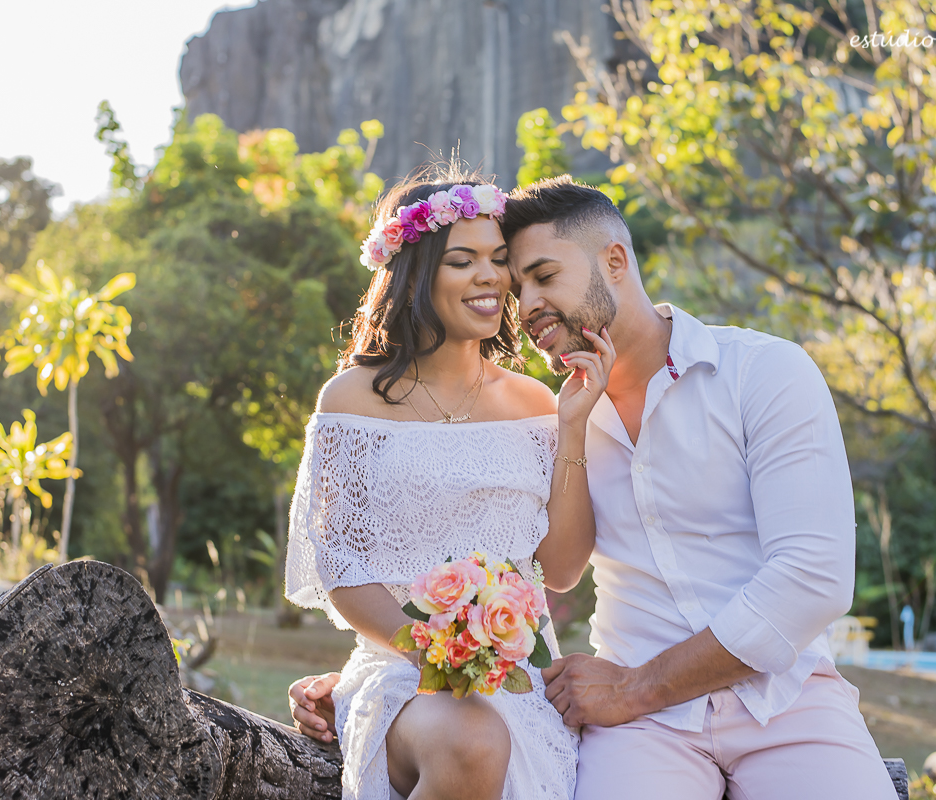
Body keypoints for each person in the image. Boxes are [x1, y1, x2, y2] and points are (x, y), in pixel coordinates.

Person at [290, 176, 898, 800]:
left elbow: (812, 577)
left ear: (615, 259)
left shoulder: (762, 374)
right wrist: (397, 662)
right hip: (636, 726)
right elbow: (364, 557)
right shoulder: (560, 410)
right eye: (514, 281)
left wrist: (634, 687)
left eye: (537, 275)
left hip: (780, 698)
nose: (521, 302)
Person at [283, 171, 615, 800]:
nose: (490, 277)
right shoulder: (351, 399)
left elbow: (562, 569)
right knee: (471, 740)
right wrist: (438, 654)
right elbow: (343, 568)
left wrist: (571, 430)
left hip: (519, 673)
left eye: (499, 261)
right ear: (416, 273)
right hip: (404, 673)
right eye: (463, 261)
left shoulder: (536, 402)